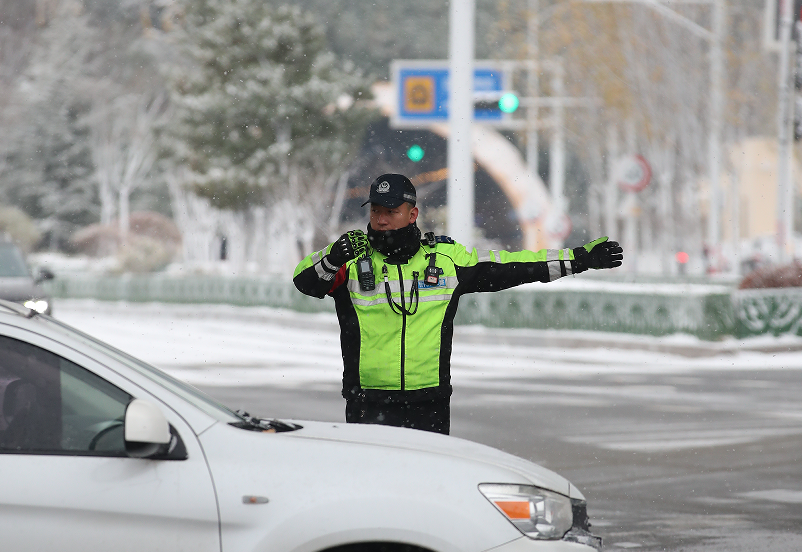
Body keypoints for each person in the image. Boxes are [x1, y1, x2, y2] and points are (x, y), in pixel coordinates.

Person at [293, 173, 623, 435]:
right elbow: (304, 281)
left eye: (391, 212)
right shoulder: (350, 258)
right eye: (376, 211)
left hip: (428, 402)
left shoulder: (445, 260)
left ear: (412, 215)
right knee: (371, 489)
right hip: (367, 402)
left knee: (432, 492)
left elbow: (514, 265)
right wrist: (332, 256)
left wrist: (579, 259)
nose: (381, 220)